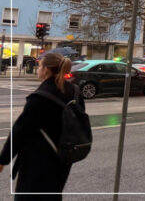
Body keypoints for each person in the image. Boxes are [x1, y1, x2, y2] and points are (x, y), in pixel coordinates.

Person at [0, 52, 84, 199]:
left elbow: (20, 131)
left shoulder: (40, 97)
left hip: (38, 159)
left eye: (39, 66)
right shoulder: (74, 91)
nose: (38, 69)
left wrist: (3, 159)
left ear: (46, 70)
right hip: (63, 156)